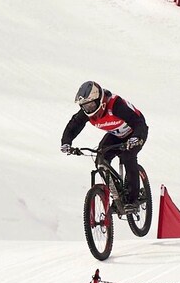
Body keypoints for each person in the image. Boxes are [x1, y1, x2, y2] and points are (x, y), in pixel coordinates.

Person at [61, 81, 149, 211]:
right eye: (85, 106)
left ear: (100, 100)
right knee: (101, 159)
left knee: (128, 157)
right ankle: (118, 194)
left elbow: (138, 121)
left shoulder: (116, 106)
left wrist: (136, 137)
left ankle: (133, 198)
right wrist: (66, 142)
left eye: (91, 104)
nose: (89, 109)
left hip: (136, 131)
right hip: (116, 134)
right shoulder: (86, 113)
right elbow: (74, 125)